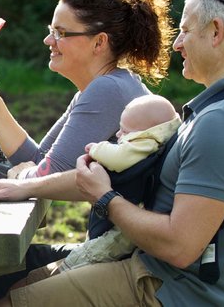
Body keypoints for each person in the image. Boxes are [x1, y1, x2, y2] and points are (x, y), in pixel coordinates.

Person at [0, 0, 224, 306]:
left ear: (216, 31)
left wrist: (105, 198)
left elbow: (180, 247)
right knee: (12, 286)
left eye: (185, 30)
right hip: (167, 277)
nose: (177, 44)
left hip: (170, 290)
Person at [0, 0, 175, 306]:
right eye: (50, 29)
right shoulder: (104, 85)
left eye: (60, 33)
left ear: (99, 42)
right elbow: (39, 159)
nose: (48, 40)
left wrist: (23, 176)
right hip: (117, 250)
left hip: (120, 261)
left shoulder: (107, 90)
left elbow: (42, 173)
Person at [59, 94, 181, 271]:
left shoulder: (145, 144)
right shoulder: (154, 142)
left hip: (124, 229)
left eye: (124, 131)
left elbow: (117, 158)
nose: (118, 135)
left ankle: (70, 269)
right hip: (124, 219)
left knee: (95, 253)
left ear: (145, 134)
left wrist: (96, 148)